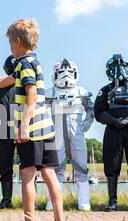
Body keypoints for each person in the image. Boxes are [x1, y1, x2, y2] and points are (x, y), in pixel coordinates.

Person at [0, 19, 69, 221]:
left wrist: (23, 125)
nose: (9, 47)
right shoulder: (33, 62)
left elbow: (31, 93)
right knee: (49, 174)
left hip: (32, 129)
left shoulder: (23, 64)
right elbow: (7, 81)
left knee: (27, 176)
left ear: (17, 42)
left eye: (9, 43)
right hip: (46, 128)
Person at [94, 54, 128, 212]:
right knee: (111, 166)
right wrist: (113, 120)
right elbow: (99, 112)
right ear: (109, 71)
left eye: (123, 66)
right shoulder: (105, 91)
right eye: (114, 67)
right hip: (113, 130)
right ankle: (112, 202)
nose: (119, 70)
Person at [45, 58, 95, 211]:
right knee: (56, 168)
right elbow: (40, 109)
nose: (65, 75)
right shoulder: (50, 92)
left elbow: (92, 108)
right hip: (56, 133)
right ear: (55, 74)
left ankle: (83, 200)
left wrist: (88, 120)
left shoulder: (81, 92)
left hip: (77, 132)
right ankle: (53, 201)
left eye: (68, 72)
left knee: (81, 167)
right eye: (61, 72)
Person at [0, 55, 17, 209]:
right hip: (4, 130)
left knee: (27, 166)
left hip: (22, 130)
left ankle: (29, 201)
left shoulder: (25, 85)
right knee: (5, 166)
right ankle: (6, 200)